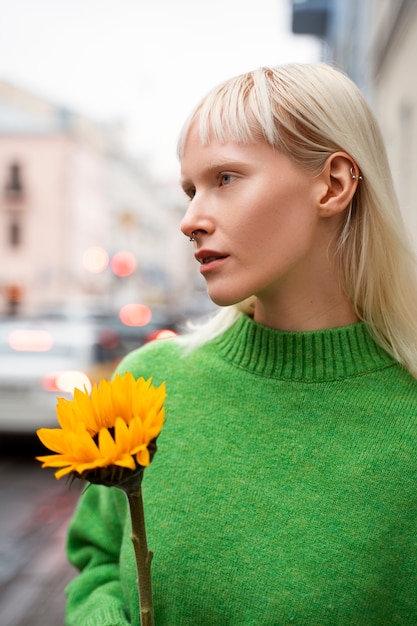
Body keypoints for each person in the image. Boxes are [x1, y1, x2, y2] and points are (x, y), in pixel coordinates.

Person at [65, 63, 417, 625]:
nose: (189, 220)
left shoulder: (408, 421)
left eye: (225, 178)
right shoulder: (151, 382)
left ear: (333, 184)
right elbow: (98, 561)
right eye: (189, 190)